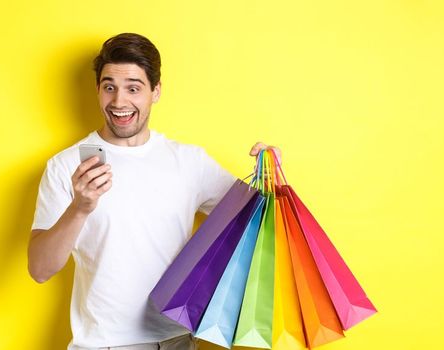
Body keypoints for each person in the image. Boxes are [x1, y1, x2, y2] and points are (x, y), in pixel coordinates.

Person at [28, 33, 279, 350]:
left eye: (133, 88)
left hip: (178, 340)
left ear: (155, 91)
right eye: (109, 87)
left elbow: (258, 220)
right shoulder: (66, 166)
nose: (119, 102)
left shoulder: (189, 162)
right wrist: (80, 208)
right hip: (104, 344)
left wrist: (268, 174)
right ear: (98, 90)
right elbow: (39, 269)